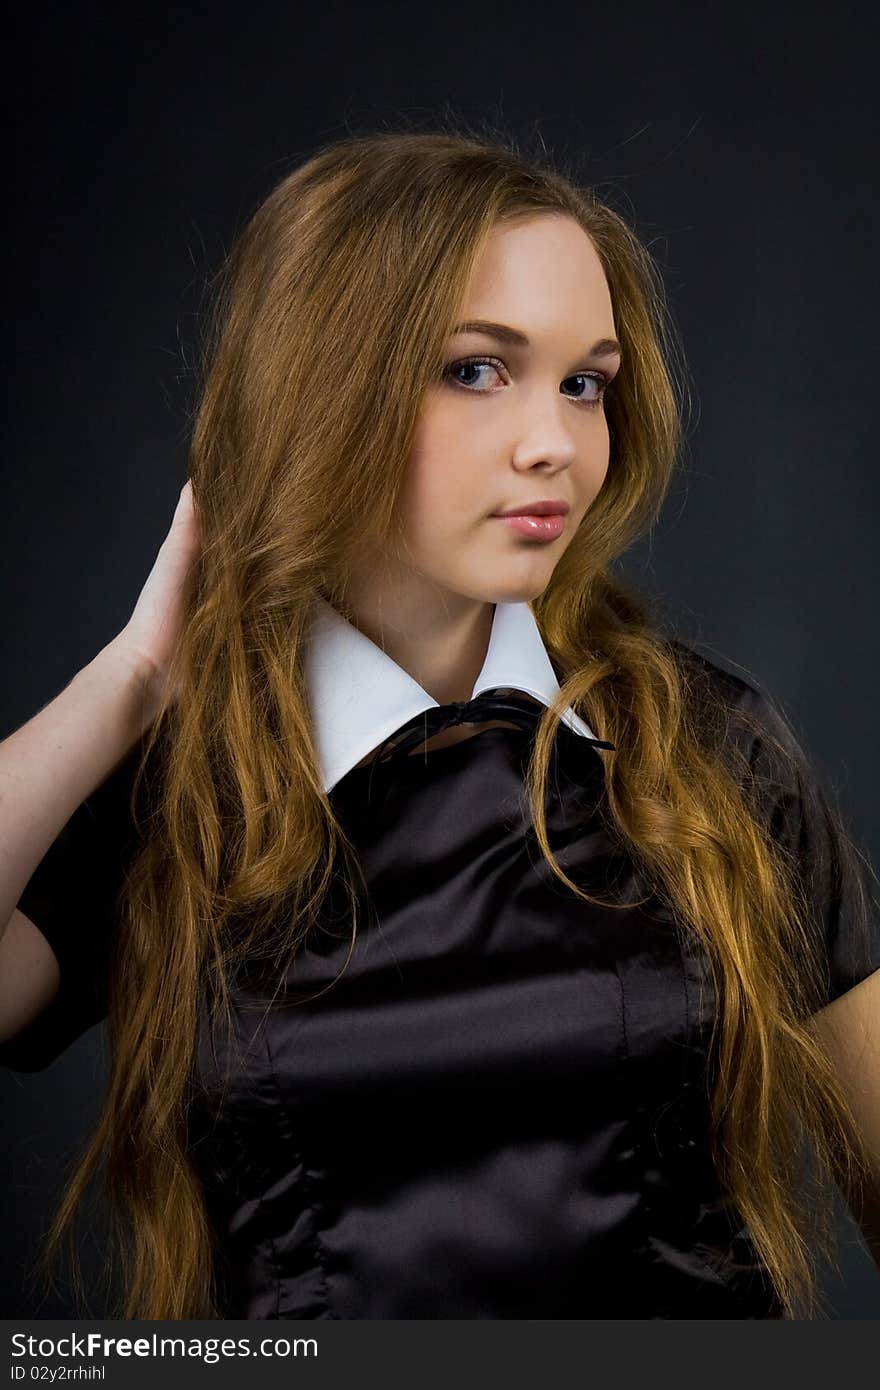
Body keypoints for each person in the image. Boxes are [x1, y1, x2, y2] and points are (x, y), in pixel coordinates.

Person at [0, 128, 878, 1321]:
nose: (554, 443)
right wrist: (134, 676)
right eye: (477, 369)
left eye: (585, 382)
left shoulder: (708, 742)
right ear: (324, 387)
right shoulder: (185, 779)